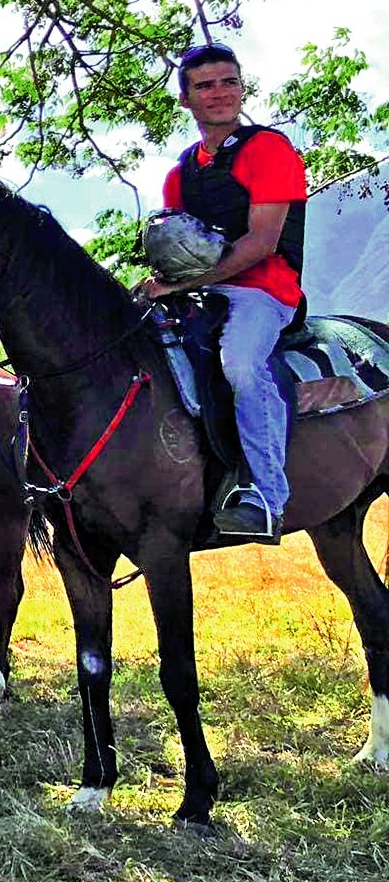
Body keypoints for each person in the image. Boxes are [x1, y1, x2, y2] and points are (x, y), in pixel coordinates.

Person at [137, 42, 307, 538]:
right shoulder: (180, 174)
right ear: (186, 100)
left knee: (240, 364)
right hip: (203, 295)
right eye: (205, 85)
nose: (220, 93)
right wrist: (161, 284)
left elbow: (261, 243)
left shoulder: (269, 150)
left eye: (229, 81)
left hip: (264, 290)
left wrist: (180, 283)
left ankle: (267, 496)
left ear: (241, 86)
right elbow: (176, 244)